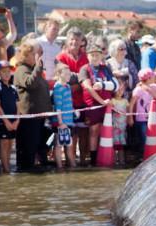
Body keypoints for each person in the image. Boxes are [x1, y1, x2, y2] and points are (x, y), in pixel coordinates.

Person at [14, 41, 52, 172]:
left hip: (40, 116)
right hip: (29, 118)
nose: (38, 56)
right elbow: (31, 83)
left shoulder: (35, 69)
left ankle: (39, 164)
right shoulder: (21, 70)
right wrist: (38, 67)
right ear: (26, 55)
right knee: (29, 146)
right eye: (35, 53)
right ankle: (27, 169)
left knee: (41, 142)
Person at [80, 43, 119, 165]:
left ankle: (106, 157)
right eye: (92, 55)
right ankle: (93, 159)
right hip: (93, 105)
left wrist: (104, 88)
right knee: (94, 130)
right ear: (87, 56)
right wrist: (102, 102)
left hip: (107, 105)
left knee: (106, 129)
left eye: (97, 55)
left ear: (102, 56)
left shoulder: (105, 68)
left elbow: (115, 85)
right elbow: (89, 88)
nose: (95, 57)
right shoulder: (84, 69)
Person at [56, 27, 90, 166]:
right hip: (67, 103)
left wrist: (79, 83)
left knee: (83, 132)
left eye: (77, 39)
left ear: (81, 41)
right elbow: (63, 79)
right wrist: (79, 84)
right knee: (71, 134)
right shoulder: (61, 57)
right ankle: (71, 161)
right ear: (67, 41)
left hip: (83, 101)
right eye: (72, 39)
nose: (74, 42)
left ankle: (82, 160)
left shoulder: (86, 57)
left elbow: (88, 77)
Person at [128, 69, 156, 156]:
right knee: (144, 140)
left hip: (152, 119)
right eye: (153, 76)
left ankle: (153, 155)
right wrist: (130, 117)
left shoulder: (154, 86)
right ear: (149, 78)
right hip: (141, 119)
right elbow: (131, 104)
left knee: (154, 138)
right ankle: (145, 156)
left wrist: (148, 89)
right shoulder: (138, 90)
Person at [51, 63, 76, 169]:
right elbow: (58, 107)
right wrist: (60, 122)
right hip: (61, 122)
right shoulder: (57, 88)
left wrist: (74, 111)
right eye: (66, 74)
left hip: (69, 120)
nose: (68, 76)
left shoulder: (68, 86)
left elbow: (68, 102)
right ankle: (60, 167)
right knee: (58, 144)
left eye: (69, 74)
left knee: (68, 144)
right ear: (59, 74)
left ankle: (71, 165)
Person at [0, 60, 18, 174]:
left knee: (10, 143)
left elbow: (17, 106)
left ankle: (8, 167)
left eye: (8, 71)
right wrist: (6, 121)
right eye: (3, 71)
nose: (6, 74)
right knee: (4, 143)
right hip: (2, 122)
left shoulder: (13, 88)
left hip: (13, 122)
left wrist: (16, 121)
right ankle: (6, 169)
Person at [36, 19, 62, 84]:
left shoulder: (57, 48)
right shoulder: (37, 42)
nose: (56, 32)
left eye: (57, 30)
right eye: (54, 29)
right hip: (39, 81)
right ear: (46, 29)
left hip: (53, 82)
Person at [111, 81, 129, 165]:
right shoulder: (112, 101)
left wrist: (129, 119)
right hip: (115, 125)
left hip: (123, 126)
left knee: (122, 143)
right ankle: (114, 161)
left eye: (121, 89)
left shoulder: (125, 101)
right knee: (115, 144)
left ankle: (122, 161)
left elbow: (129, 111)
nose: (119, 91)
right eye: (117, 89)